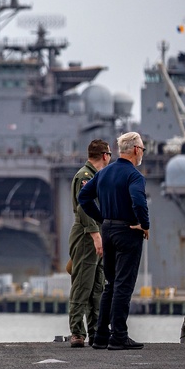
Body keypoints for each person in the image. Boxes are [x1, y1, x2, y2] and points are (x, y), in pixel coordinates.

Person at [77, 131, 150, 351]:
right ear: (136, 150)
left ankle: (100, 336)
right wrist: (144, 224)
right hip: (128, 232)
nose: (142, 153)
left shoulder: (104, 173)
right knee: (123, 285)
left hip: (107, 230)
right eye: (143, 149)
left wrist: (102, 218)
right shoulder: (135, 176)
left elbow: (84, 198)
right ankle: (119, 335)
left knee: (110, 284)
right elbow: (138, 201)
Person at [66, 139, 111, 347]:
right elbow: (84, 208)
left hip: (97, 233)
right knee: (82, 285)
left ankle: (95, 331)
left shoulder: (97, 177)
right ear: (105, 156)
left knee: (97, 286)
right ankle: (77, 332)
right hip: (87, 235)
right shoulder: (85, 176)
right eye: (109, 155)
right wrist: (95, 235)